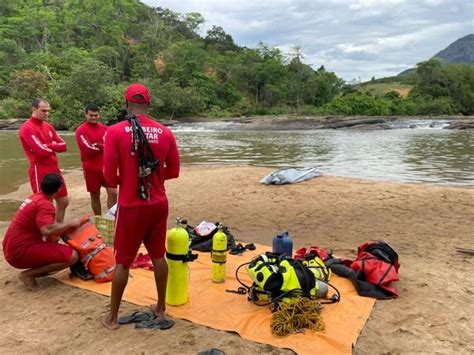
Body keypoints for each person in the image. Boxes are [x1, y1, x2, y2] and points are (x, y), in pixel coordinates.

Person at [102, 83, 180, 330]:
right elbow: (174, 171)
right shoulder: (165, 132)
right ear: (148, 105)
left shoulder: (114, 132)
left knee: (123, 261)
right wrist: (154, 179)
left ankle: (112, 319)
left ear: (126, 105)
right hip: (158, 203)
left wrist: (129, 179)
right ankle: (160, 307)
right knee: (158, 256)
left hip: (131, 205)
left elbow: (109, 177)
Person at [2, 173, 86, 290]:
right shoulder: (45, 205)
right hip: (20, 251)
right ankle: (28, 275)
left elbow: (47, 229)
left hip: (11, 246)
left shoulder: (34, 197)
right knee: (73, 256)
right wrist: (70, 223)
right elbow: (46, 230)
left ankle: (38, 271)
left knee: (55, 241)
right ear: (58, 189)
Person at [19, 98, 69, 222]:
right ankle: (45, 230)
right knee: (45, 204)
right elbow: (40, 152)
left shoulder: (48, 126)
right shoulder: (27, 128)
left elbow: (64, 146)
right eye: (43, 111)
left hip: (54, 168)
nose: (46, 113)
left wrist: (48, 145)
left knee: (63, 201)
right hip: (39, 170)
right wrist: (52, 145)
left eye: (48, 111)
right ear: (34, 109)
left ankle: (57, 227)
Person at [75, 103, 117, 215]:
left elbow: (113, 146)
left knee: (113, 192)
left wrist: (98, 145)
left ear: (99, 115)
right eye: (91, 115)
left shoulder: (106, 129)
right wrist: (104, 147)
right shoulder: (81, 130)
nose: (93, 117)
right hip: (91, 168)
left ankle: (112, 217)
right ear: (86, 115)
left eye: (96, 115)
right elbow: (87, 149)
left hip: (107, 166)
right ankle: (98, 218)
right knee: (95, 194)